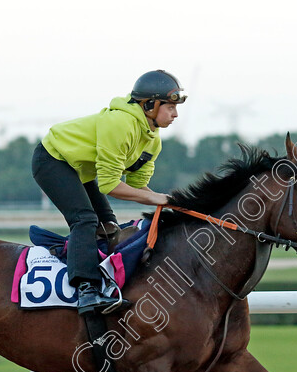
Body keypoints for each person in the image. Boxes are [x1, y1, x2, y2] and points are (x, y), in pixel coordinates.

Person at [31, 69, 187, 314]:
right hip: (53, 160)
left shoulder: (153, 139)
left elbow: (136, 187)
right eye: (170, 107)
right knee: (85, 220)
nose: (176, 114)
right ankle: (86, 291)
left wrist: (169, 202)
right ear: (149, 105)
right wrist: (159, 198)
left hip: (81, 169)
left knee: (109, 227)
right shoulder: (120, 124)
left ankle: (102, 276)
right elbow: (110, 186)